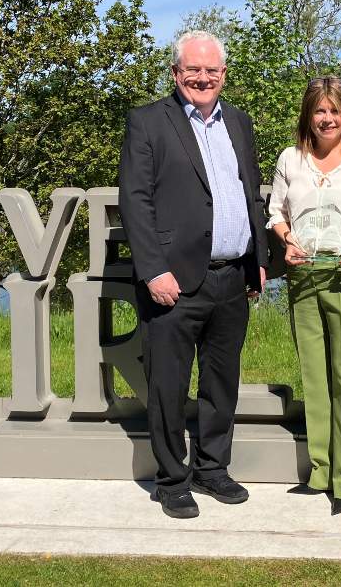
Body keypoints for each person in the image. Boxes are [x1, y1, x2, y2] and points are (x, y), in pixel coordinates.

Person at [117, 30, 269, 519]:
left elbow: (250, 196)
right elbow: (135, 200)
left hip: (232, 276)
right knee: (168, 384)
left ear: (223, 74)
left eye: (212, 70)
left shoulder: (240, 123)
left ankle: (212, 467)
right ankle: (172, 478)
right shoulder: (148, 122)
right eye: (192, 69)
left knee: (222, 382)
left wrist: (259, 259)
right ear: (175, 73)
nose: (202, 78)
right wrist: (152, 269)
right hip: (173, 281)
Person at [267, 76, 341, 515]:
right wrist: (286, 239)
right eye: (320, 110)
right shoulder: (290, 159)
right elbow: (276, 212)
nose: (327, 118)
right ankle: (321, 471)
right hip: (303, 277)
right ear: (308, 115)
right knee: (315, 377)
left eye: (335, 111)